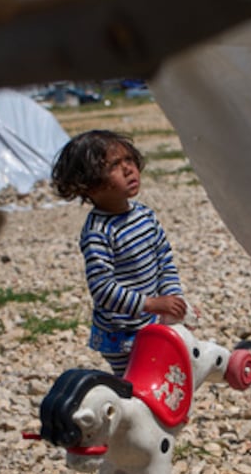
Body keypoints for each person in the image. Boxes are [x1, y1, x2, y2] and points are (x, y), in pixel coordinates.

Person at [52, 129, 187, 376]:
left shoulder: (144, 215)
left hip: (152, 318)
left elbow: (164, 260)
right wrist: (151, 304)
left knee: (166, 370)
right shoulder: (98, 232)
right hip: (122, 333)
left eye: (129, 160)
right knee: (135, 381)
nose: (128, 169)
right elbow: (102, 288)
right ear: (89, 184)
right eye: (114, 165)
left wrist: (172, 296)